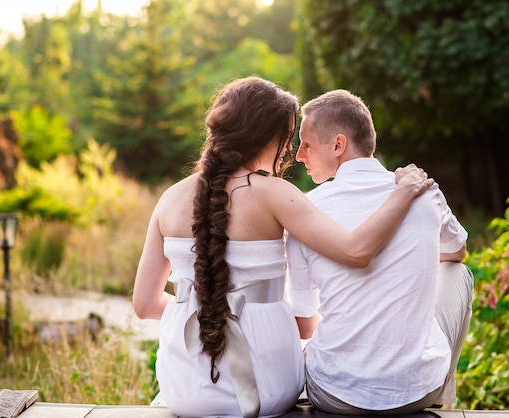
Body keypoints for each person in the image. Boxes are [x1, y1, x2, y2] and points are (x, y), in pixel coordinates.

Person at [132, 76, 434, 418]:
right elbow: (356, 252)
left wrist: (207, 311)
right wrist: (404, 192)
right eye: (287, 139)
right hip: (268, 389)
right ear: (265, 137)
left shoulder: (169, 199)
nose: (290, 151)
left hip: (184, 389)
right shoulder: (276, 193)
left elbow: (144, 305)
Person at [286, 89, 474, 415]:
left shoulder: (307, 211)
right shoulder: (423, 192)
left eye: (306, 143)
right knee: (458, 273)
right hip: (417, 391)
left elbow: (304, 325)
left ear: (338, 145)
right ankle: (439, 386)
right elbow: (458, 252)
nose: (300, 155)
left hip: (333, 392)